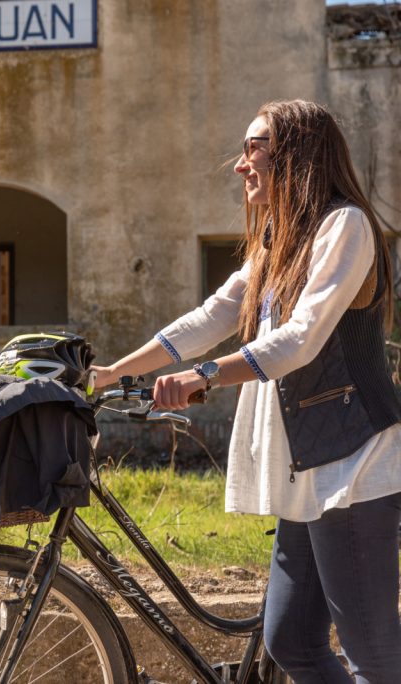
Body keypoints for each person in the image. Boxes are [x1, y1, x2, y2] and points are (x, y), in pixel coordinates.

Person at [93, 99, 401, 683]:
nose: (241, 165)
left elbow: (301, 339)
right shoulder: (276, 241)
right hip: (306, 466)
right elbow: (211, 317)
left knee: (374, 658)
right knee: (291, 641)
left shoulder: (345, 226)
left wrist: (205, 375)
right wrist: (114, 372)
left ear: (298, 153)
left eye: (254, 146)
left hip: (354, 464)